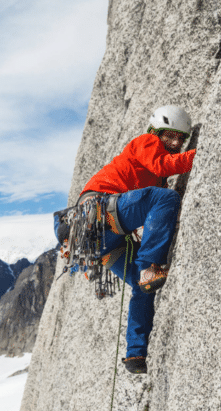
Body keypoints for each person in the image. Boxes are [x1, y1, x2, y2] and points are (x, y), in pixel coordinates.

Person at [79, 105, 196, 374]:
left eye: (181, 139)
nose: (176, 142)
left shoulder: (158, 179)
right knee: (165, 199)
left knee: (145, 287)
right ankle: (147, 266)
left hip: (102, 240)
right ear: (156, 131)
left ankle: (135, 355)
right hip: (100, 211)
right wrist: (206, 150)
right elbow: (164, 164)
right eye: (170, 135)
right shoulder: (145, 142)